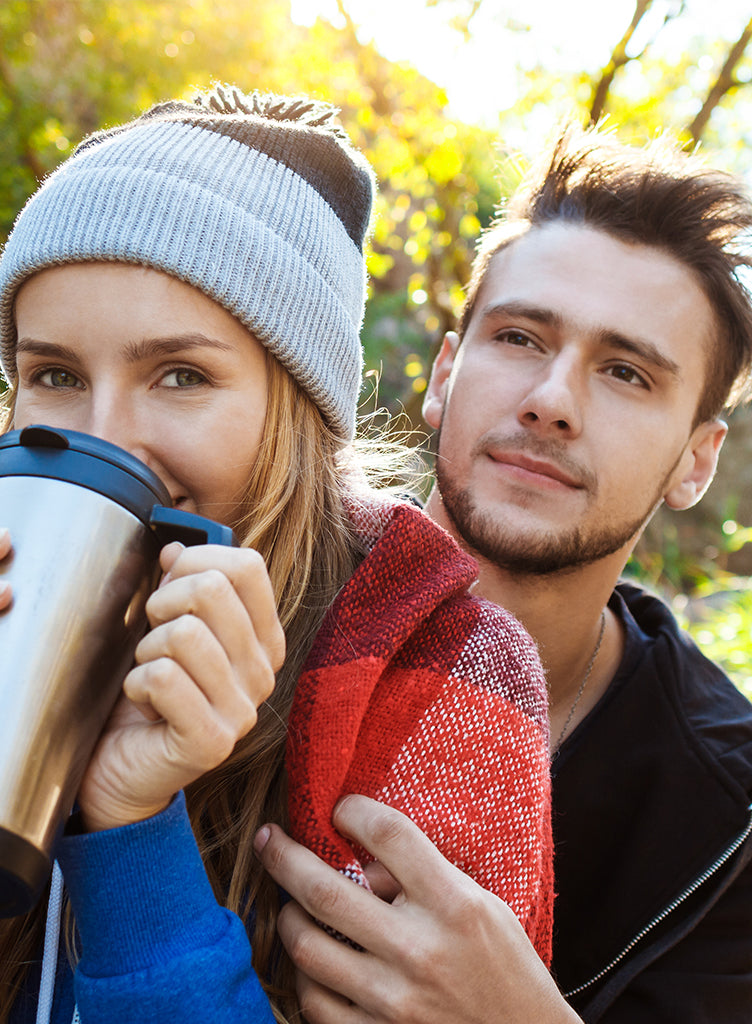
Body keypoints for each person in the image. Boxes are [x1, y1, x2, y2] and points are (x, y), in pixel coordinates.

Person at [0, 87, 554, 1024]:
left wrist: (129, 830)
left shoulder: (445, 676)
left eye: (181, 375)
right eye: (55, 376)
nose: (107, 437)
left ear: (296, 415)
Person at [255, 124, 752, 1023]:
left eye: (628, 373)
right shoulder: (257, 600)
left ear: (697, 461)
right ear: (446, 373)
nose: (552, 401)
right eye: (521, 338)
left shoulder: (729, 819)